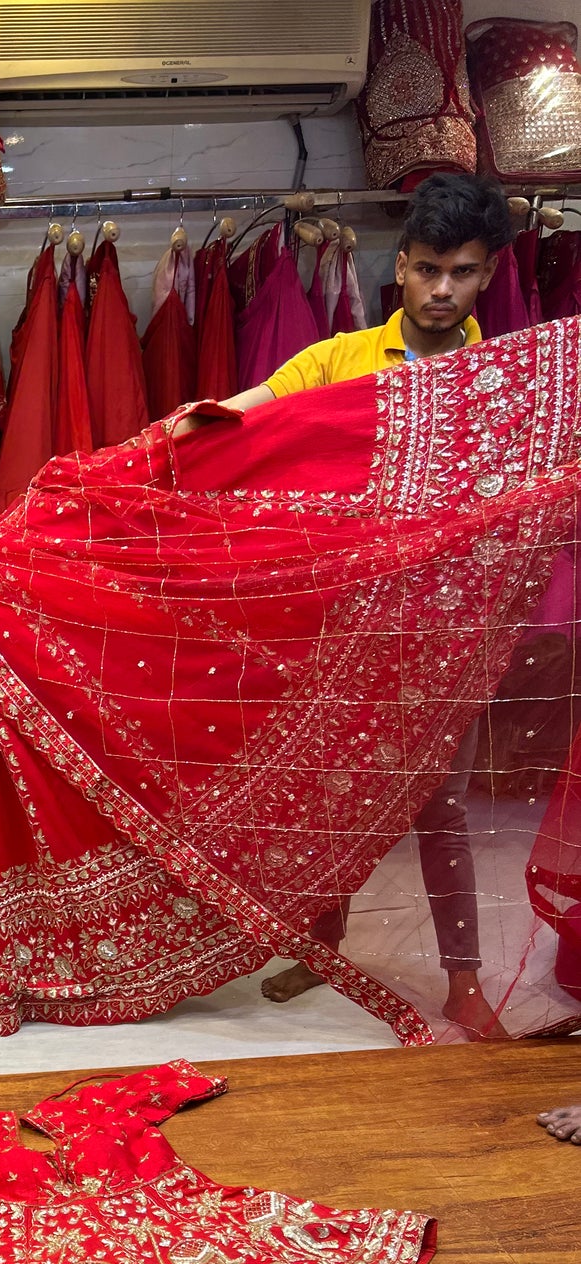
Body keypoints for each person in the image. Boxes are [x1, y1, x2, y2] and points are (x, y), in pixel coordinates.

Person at [178, 173, 513, 1039]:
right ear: (399, 266)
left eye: (464, 273)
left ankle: (464, 980)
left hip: (451, 629)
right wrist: (176, 433)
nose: (443, 289)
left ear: (486, 277)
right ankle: (322, 939)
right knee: (337, 792)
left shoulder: (503, 381)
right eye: (430, 268)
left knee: (437, 803)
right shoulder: (339, 360)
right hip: (349, 623)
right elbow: (250, 415)